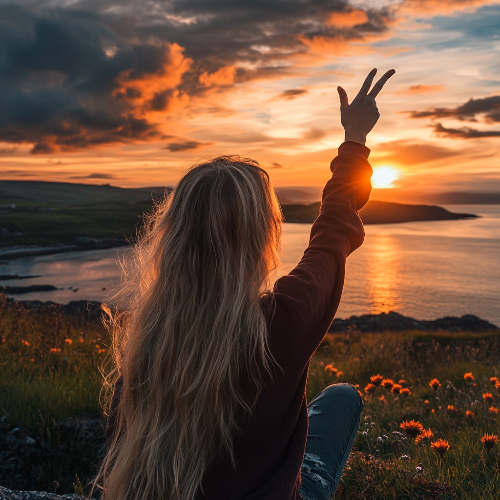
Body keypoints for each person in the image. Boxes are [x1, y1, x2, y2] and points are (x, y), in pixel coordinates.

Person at [95, 68, 396, 500]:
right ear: (261, 238)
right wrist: (355, 139)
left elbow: (121, 447)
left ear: (175, 238)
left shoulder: (148, 340)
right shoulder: (280, 323)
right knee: (343, 398)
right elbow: (332, 234)